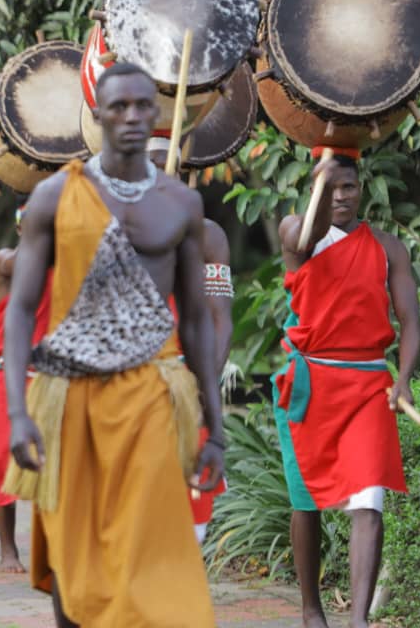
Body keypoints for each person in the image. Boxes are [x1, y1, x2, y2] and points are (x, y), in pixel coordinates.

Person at [5, 62, 223, 627]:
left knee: (150, 546)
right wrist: (15, 415)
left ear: (157, 113)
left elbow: (197, 320)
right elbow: (21, 309)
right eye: (118, 106)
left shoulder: (181, 205)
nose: (130, 116)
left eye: (141, 106)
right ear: (97, 114)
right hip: (68, 393)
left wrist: (215, 427)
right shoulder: (54, 197)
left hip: (152, 390)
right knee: (75, 547)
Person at [274, 149, 419, 628]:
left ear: (361, 189)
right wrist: (320, 182)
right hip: (309, 386)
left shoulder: (387, 247)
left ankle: (358, 620)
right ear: (314, 187)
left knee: (368, 500)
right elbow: (309, 232)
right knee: (306, 501)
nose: (341, 196)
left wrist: (403, 378)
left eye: (349, 187)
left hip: (367, 388)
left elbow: (410, 322)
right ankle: (312, 611)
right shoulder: (297, 233)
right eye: (331, 187)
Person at [148, 140, 233, 544]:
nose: (161, 173)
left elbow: (220, 322)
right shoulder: (113, 227)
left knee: (192, 508)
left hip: (187, 383)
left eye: (169, 164)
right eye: (150, 164)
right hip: (134, 385)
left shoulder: (209, 237)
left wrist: (202, 391)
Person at [0, 205, 52, 573]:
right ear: (21, 228)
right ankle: (9, 550)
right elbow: (27, 264)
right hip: (9, 378)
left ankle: (49, 548)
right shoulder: (6, 261)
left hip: (52, 378)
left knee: (51, 465)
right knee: (2, 464)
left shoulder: (64, 262)